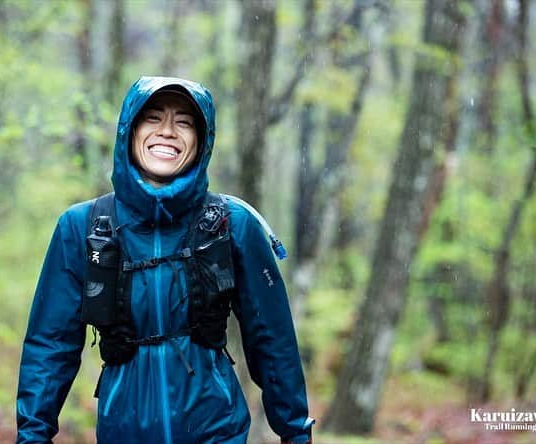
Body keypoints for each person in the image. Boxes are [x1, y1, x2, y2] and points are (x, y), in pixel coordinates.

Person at [16, 76, 314, 444]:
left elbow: (272, 339)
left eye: (185, 122)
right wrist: (32, 434)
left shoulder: (233, 224)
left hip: (218, 432)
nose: (168, 131)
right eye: (153, 118)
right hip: (122, 432)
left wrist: (295, 431)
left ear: (202, 141)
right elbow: (50, 345)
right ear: (130, 130)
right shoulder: (81, 227)